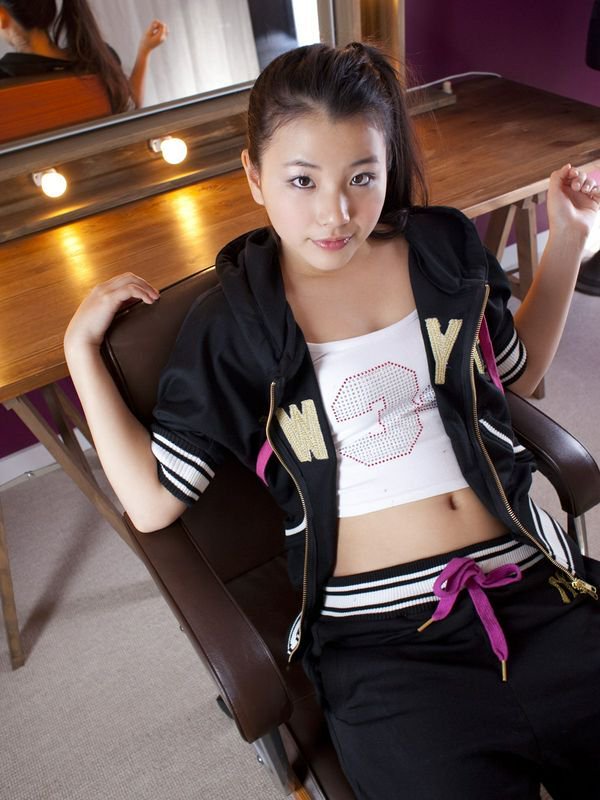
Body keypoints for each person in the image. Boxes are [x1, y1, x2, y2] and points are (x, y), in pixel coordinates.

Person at [64, 42, 600, 799]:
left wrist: (569, 235)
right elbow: (152, 503)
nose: (335, 213)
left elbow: (519, 371)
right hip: (387, 646)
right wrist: (81, 353)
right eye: (302, 180)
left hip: (533, 581)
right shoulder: (234, 325)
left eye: (361, 177)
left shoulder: (442, 248)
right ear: (254, 175)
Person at [0, 1, 167, 109]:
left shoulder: (6, 78)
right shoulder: (97, 59)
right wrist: (144, 52)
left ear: (2, 16)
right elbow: (130, 107)